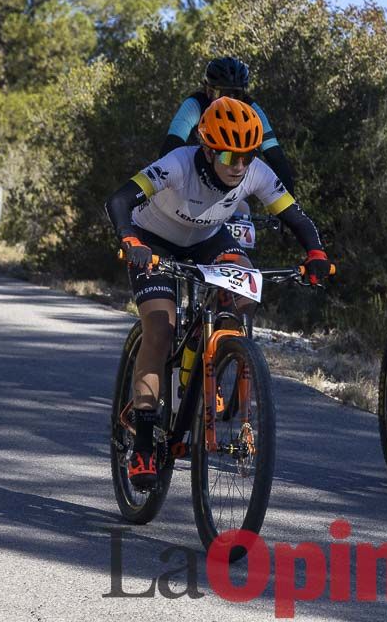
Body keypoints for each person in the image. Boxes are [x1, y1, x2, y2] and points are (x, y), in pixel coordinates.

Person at [106, 96, 333, 490]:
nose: (239, 166)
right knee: (160, 328)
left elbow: (295, 215)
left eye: (247, 156)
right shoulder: (178, 164)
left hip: (208, 239)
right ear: (209, 149)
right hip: (152, 240)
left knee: (245, 293)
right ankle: (143, 441)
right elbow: (119, 200)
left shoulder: (253, 171)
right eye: (230, 155)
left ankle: (225, 358)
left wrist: (316, 253)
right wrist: (129, 239)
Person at [160, 57, 296, 195]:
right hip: (194, 175)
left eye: (236, 94)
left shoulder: (251, 108)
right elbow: (172, 145)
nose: (229, 100)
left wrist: (290, 203)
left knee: (244, 209)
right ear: (208, 90)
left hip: (228, 183)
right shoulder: (196, 104)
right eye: (222, 93)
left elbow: (275, 156)